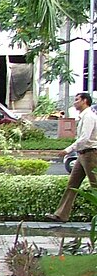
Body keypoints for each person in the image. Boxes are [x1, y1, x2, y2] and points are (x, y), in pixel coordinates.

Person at [46, 92, 97, 222]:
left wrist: (68, 149)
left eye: (77, 100)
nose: (75, 102)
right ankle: (61, 214)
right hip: (82, 154)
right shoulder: (84, 116)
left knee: (95, 185)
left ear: (84, 101)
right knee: (72, 184)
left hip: (90, 154)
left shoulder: (89, 116)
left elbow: (85, 138)